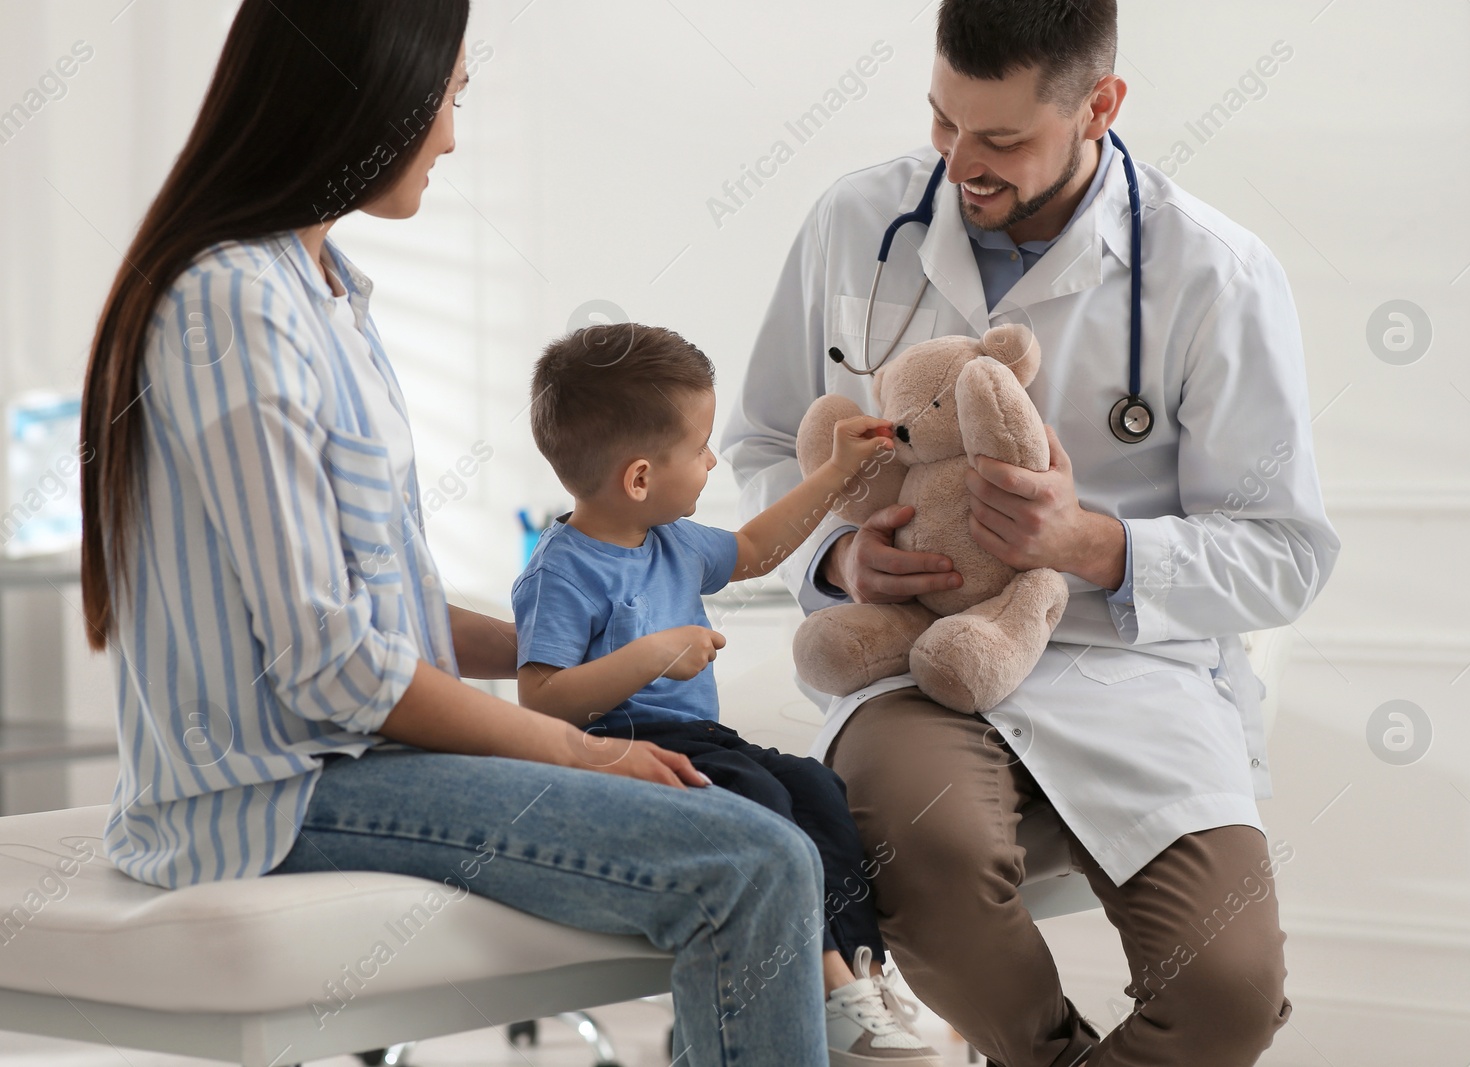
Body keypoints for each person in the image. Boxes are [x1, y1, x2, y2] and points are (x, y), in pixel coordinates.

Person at [77, 3, 831, 1063]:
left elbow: (373, 611)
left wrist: (532, 653)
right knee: (754, 860)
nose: (451, 134)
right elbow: (332, 662)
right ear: (364, 91)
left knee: (773, 818)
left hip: (347, 759)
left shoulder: (329, 293)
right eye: (447, 98)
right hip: (272, 794)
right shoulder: (235, 305)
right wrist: (580, 750)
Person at [721, 1, 1342, 1065]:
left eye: (1001, 138)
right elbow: (765, 441)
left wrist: (1092, 542)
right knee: (927, 853)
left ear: (1100, 104)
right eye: (941, 120)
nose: (958, 161)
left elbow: (1283, 550)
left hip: (1130, 668)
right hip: (912, 658)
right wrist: (837, 553)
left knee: (1230, 993)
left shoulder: (1215, 273)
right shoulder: (853, 223)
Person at [510, 324, 942, 1065]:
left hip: (702, 741)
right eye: (703, 446)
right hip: (625, 750)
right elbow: (541, 700)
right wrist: (649, 656)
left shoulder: (670, 538)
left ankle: (860, 979)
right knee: (762, 809)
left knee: (815, 789)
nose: (715, 460)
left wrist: (837, 473)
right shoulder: (560, 572)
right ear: (640, 477)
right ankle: (834, 991)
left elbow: (757, 548)